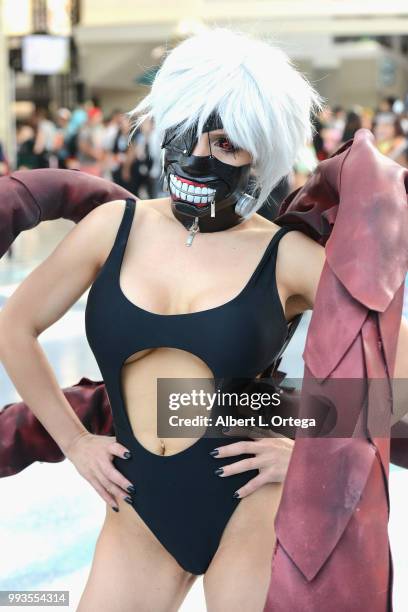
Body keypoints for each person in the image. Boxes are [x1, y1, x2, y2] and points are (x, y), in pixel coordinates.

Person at [0, 28, 407, 612]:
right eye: (189, 133)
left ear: (260, 153)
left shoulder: (283, 255)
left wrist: (308, 450)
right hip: (138, 507)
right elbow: (14, 328)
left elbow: (398, 368)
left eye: (226, 145)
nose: (197, 156)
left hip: (250, 504)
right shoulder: (115, 228)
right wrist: (75, 442)